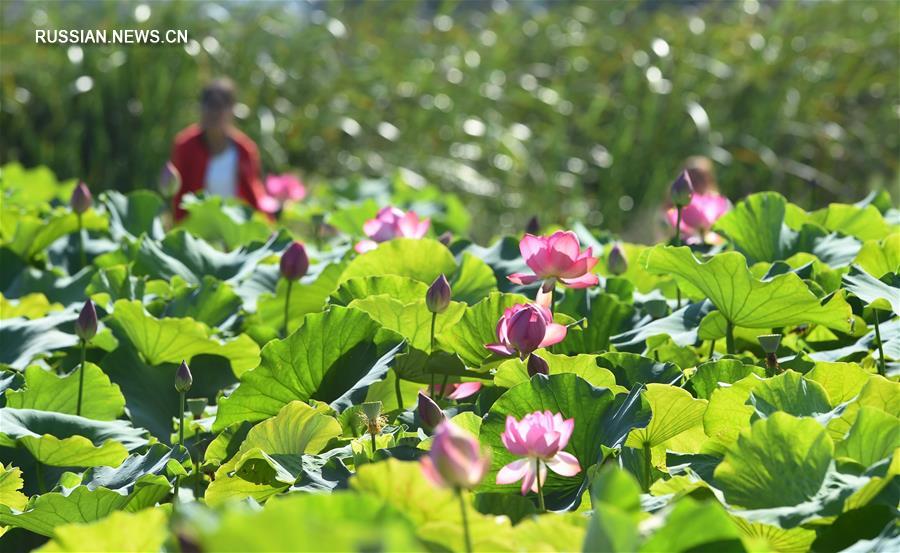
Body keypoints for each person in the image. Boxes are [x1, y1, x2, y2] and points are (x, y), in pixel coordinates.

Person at [168, 78, 266, 220]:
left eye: (220, 106)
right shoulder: (185, 145)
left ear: (232, 110)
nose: (214, 112)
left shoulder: (245, 149)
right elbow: (179, 197)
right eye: (209, 105)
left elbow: (254, 195)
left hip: (236, 228)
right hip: (197, 229)